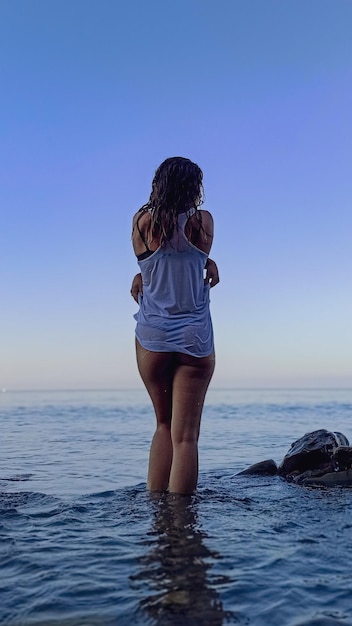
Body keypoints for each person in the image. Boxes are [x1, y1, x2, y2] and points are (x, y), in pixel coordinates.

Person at [131, 156, 219, 494]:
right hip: (195, 338)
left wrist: (140, 275)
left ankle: (157, 519)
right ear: (194, 187)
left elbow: (153, 266)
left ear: (158, 184)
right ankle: (183, 526)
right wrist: (209, 261)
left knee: (163, 426)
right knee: (185, 438)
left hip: (153, 336)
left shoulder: (142, 223)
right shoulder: (203, 223)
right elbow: (189, 258)